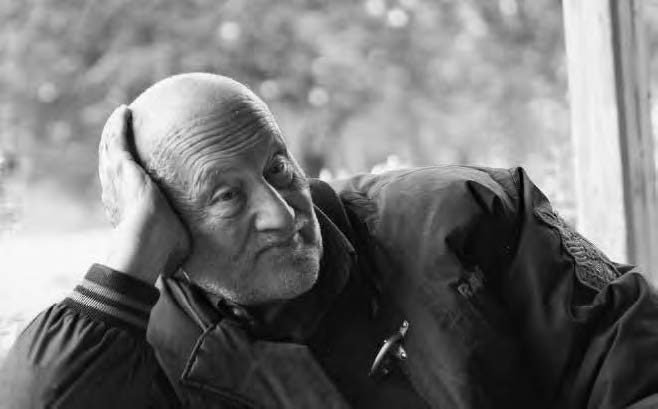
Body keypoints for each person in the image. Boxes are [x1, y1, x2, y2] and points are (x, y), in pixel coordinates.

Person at [2, 73, 658, 409]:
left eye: (277, 168)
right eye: (226, 195)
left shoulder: (469, 213)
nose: (278, 211)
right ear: (166, 231)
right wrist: (129, 258)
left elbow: (634, 368)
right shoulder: (147, 354)